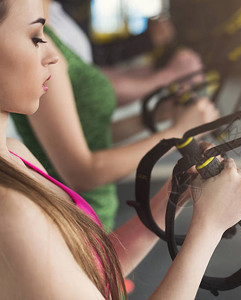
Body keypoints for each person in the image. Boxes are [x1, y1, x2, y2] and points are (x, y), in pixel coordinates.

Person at [0, 0, 241, 299]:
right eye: (36, 39)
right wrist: (209, 227)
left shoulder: (16, 155)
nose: (53, 57)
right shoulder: (13, 213)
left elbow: (90, 272)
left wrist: (170, 199)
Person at [11, 0, 220, 229]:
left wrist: (157, 116)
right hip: (76, 222)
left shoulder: (55, 28)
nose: (49, 54)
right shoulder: (41, 46)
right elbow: (81, 173)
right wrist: (177, 132)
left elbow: (88, 134)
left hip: (93, 216)